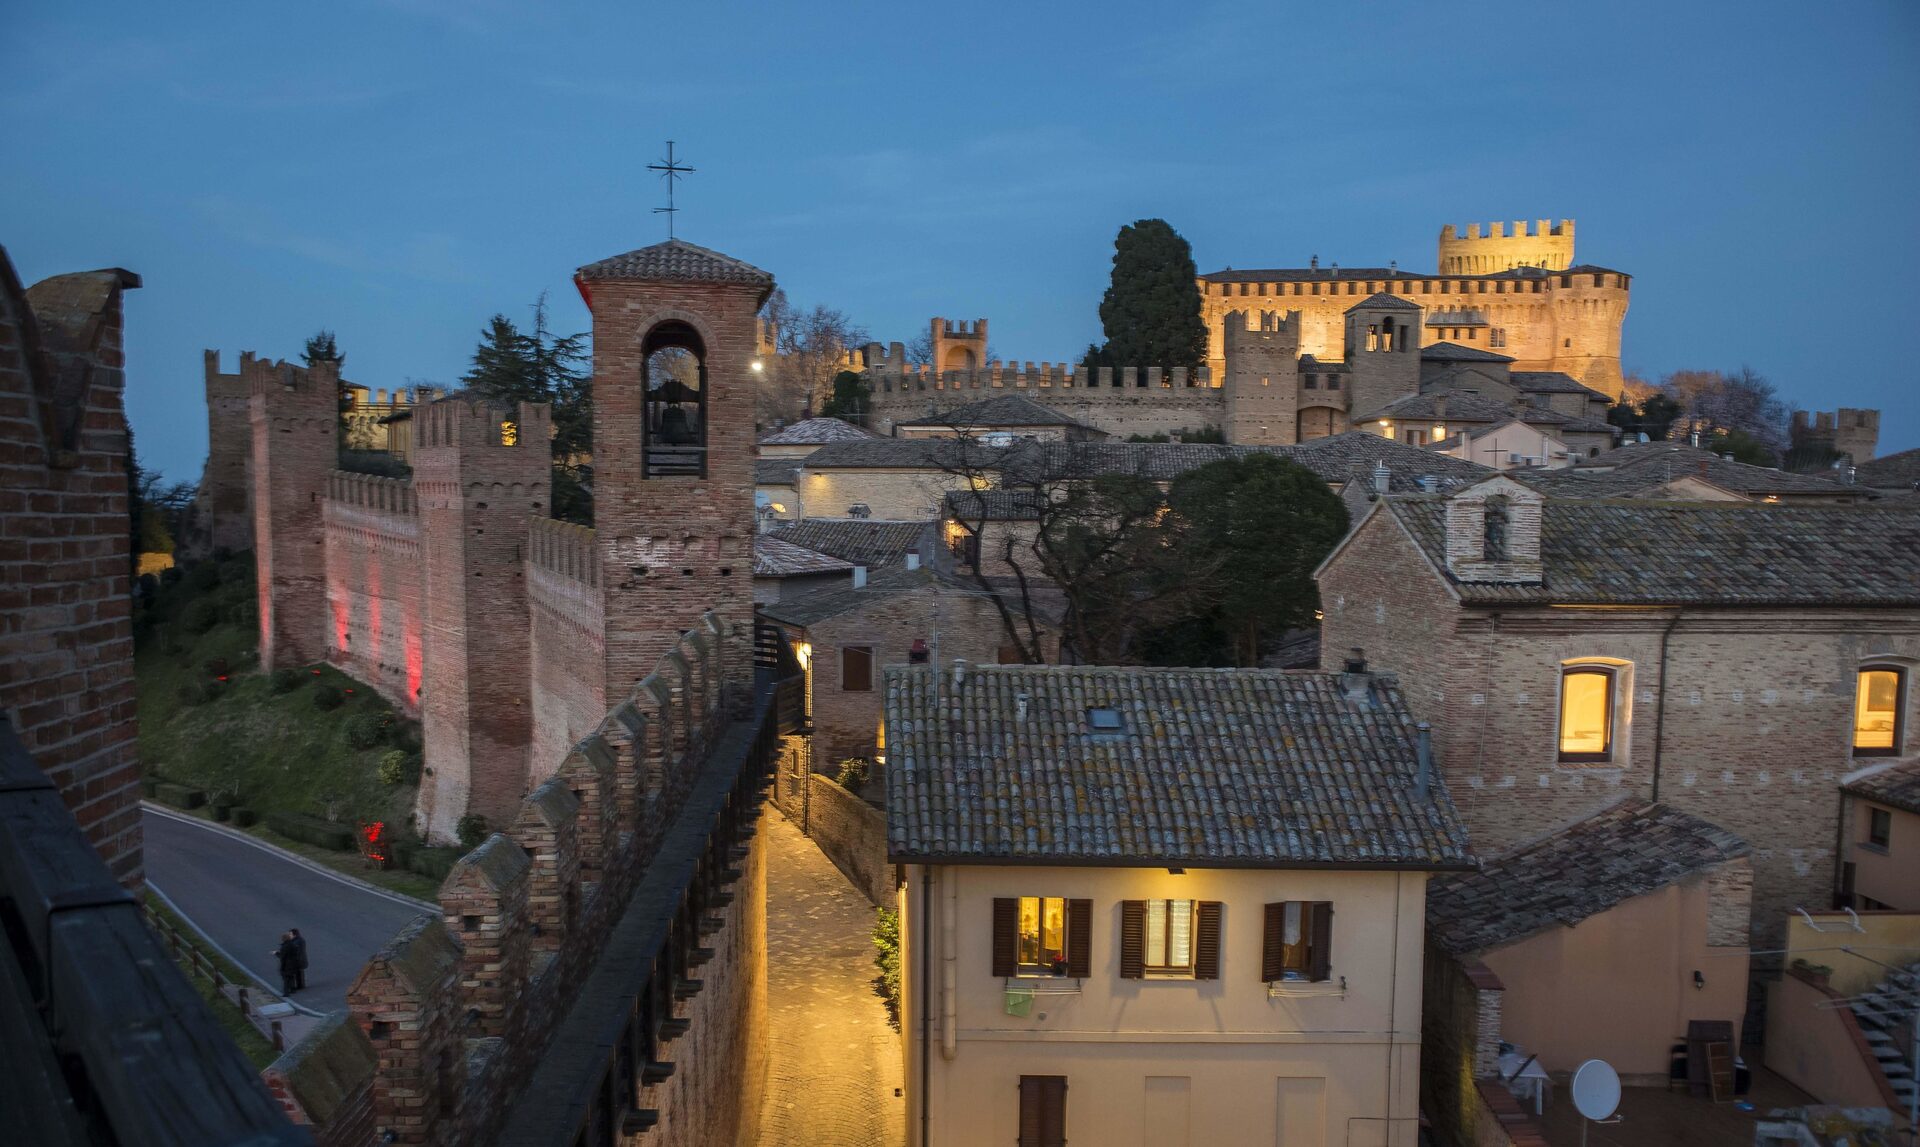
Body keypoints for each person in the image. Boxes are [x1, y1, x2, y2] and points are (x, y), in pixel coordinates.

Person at [291, 927, 308, 992]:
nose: (289, 935)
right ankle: (300, 985)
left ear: (294, 935)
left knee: (299, 973)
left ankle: (300, 985)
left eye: (290, 934)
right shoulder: (299, 940)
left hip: (299, 960)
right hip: (300, 960)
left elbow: (295, 950)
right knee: (299, 973)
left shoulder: (297, 942)